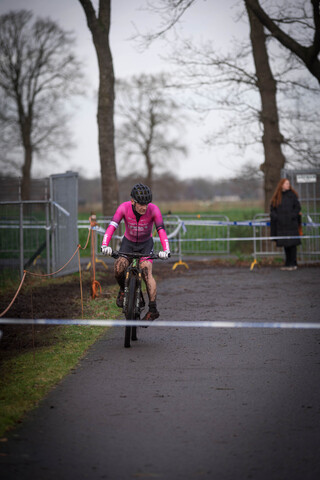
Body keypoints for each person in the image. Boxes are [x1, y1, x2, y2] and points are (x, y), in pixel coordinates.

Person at [101, 183, 170, 320]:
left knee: (146, 270)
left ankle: (152, 308)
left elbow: (161, 230)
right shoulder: (124, 208)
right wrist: (104, 245)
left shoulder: (154, 210)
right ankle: (123, 290)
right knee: (119, 267)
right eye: (141, 204)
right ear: (133, 201)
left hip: (145, 244)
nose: (144, 207)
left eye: (146, 204)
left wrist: (166, 250)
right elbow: (112, 226)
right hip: (128, 243)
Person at [270, 178, 302, 271]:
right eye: (286, 183)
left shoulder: (292, 195)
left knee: (292, 244)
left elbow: (297, 207)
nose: (288, 185)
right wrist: (276, 217)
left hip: (291, 224)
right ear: (281, 185)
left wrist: (292, 216)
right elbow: (272, 209)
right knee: (285, 244)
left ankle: (293, 263)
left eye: (288, 183)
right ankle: (288, 263)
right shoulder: (277, 197)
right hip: (281, 224)